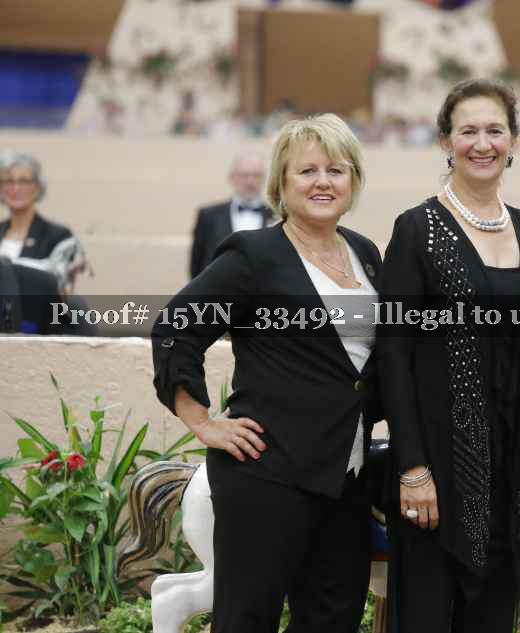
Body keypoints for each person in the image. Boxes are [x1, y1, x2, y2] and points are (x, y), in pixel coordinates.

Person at [152, 114, 382, 633]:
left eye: (336, 170)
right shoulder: (253, 255)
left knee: (333, 620)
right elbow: (177, 326)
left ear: (353, 180)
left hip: (346, 475)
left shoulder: (365, 253)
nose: (323, 182)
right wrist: (202, 421)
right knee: (247, 619)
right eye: (307, 170)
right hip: (267, 473)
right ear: (281, 182)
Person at [377, 78, 520, 633]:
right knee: (427, 615)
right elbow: (393, 354)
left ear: (513, 141)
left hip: (514, 470)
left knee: (492, 616)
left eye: (494, 130)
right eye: (468, 132)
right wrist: (413, 468)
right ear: (445, 141)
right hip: (437, 470)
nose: (482, 144)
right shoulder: (417, 229)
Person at [0, 152, 88, 292]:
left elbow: (62, 290)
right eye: (9, 181)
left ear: (38, 187)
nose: (16, 188)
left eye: (24, 181)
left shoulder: (59, 236)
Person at [189, 151, 272, 278]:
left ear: (264, 179)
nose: (250, 181)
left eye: (256, 176)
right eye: (244, 175)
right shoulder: (208, 216)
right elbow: (197, 265)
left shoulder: (278, 216)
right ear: (231, 177)